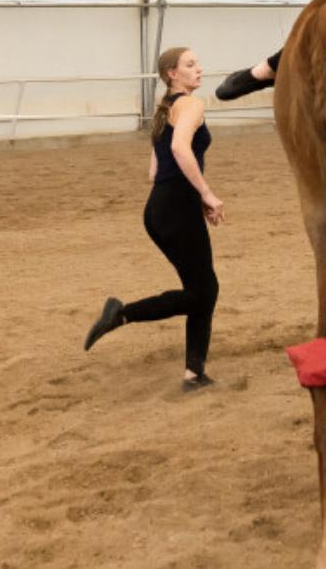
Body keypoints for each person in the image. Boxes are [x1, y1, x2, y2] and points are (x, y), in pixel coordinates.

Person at [83, 47, 223, 392]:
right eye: (190, 65)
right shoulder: (190, 105)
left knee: (202, 289)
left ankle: (194, 374)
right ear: (171, 74)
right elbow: (179, 150)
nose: (199, 69)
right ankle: (121, 313)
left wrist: (191, 194)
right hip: (177, 208)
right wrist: (205, 193)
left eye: (197, 64)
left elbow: (154, 171)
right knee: (202, 293)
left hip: (159, 210)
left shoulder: (164, 111)